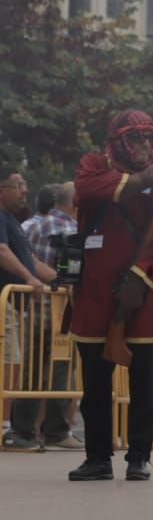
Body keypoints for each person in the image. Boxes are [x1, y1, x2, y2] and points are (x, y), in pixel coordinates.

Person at [65, 111, 153, 481]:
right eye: (136, 139)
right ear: (118, 141)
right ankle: (98, 458)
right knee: (95, 386)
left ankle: (138, 458)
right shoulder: (94, 164)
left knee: (145, 384)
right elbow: (86, 191)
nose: (145, 146)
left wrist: (140, 279)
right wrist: (139, 180)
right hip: (95, 293)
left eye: (149, 139)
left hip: (141, 296)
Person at [6, 176, 70, 449]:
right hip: (18, 305)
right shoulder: (4, 220)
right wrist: (30, 279)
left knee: (26, 368)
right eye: (18, 186)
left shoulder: (20, 224)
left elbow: (31, 261)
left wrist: (57, 281)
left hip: (25, 308)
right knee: (17, 367)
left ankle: (20, 430)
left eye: (25, 185)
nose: (25, 191)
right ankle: (13, 431)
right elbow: (7, 254)